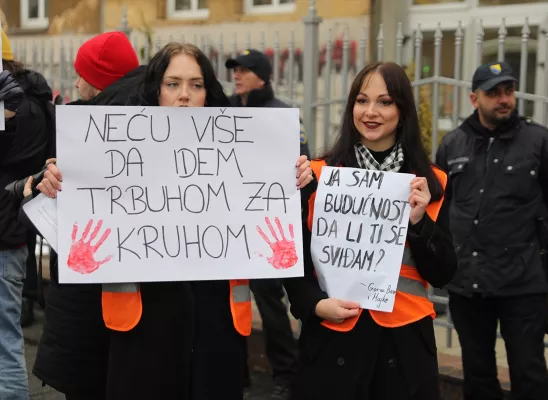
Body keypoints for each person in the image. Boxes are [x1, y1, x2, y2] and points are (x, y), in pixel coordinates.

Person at [36, 42, 314, 400]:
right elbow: (58, 209)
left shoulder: (241, 148)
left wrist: (300, 181)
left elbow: (277, 221)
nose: (185, 95)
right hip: (142, 333)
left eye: (196, 85)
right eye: (173, 84)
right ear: (155, 88)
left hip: (216, 332)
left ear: (208, 91)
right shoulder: (112, 147)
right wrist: (53, 182)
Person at [284, 61, 457, 400]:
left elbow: (443, 273)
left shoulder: (431, 182)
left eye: (385, 102)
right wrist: (316, 306)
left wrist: (420, 223)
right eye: (362, 101)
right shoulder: (315, 176)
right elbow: (293, 262)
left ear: (402, 110)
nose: (371, 112)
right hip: (333, 339)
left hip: (404, 348)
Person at [435, 61, 548, 400]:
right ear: (474, 98)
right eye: (494, 92)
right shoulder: (453, 145)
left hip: (522, 282)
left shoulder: (541, 141)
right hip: (469, 282)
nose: (504, 99)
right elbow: (441, 202)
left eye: (508, 91)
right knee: (478, 375)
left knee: (528, 374)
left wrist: (529, 236)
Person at [14, 31, 142, 400]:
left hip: (91, 294)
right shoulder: (146, 116)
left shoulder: (86, 127)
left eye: (83, 74)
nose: (77, 82)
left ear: (99, 80)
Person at [226, 48, 303, 399]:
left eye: (244, 70)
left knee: (271, 303)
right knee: (230, 304)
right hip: (226, 227)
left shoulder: (281, 115)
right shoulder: (223, 110)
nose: (237, 75)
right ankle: (234, 371)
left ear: (263, 76)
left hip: (266, 229)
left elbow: (298, 171)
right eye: (234, 70)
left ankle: (286, 374)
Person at [0, 28, 52, 400]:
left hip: (4, 235)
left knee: (4, 340)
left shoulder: (19, 105)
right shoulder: (29, 98)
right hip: (12, 232)